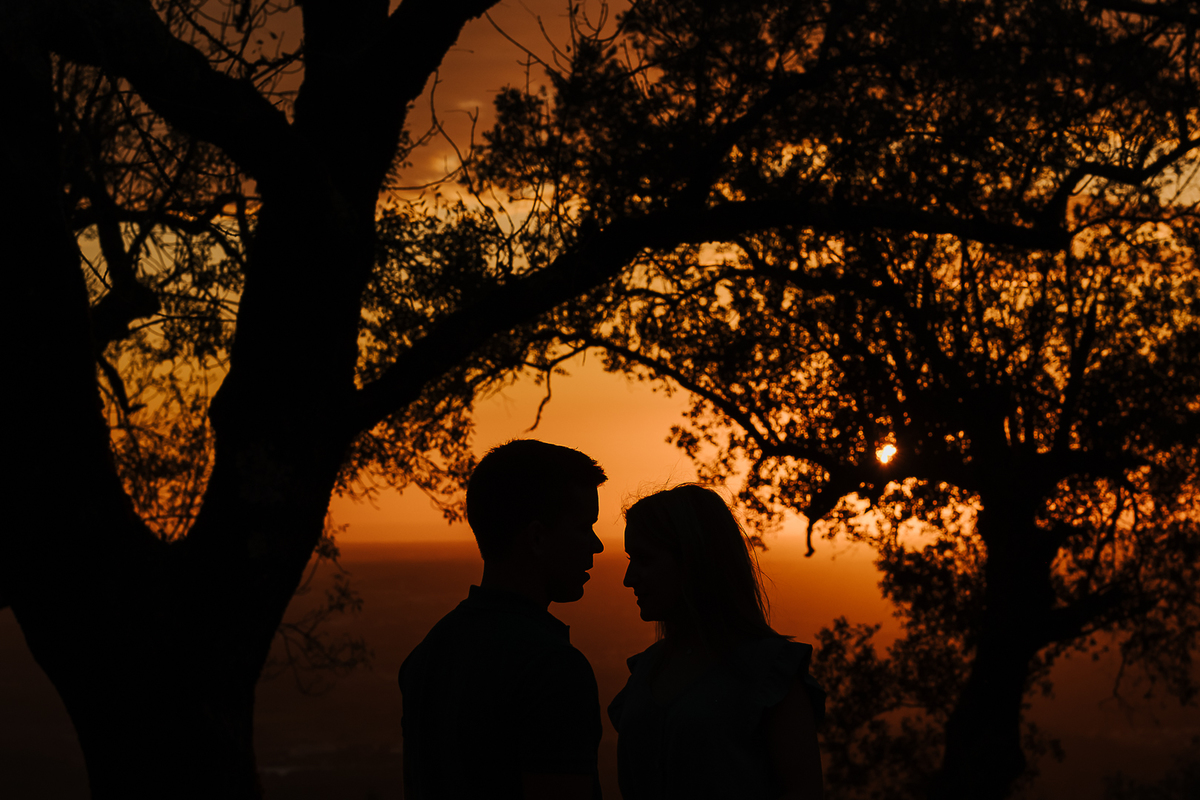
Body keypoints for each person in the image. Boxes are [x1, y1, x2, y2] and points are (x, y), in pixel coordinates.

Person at [399, 439, 608, 800]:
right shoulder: (551, 668)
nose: (597, 545)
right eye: (584, 527)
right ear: (538, 538)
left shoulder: (428, 654)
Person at [609, 484, 825, 799]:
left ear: (693, 560)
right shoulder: (644, 672)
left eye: (644, 560)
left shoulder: (770, 677)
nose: (630, 578)